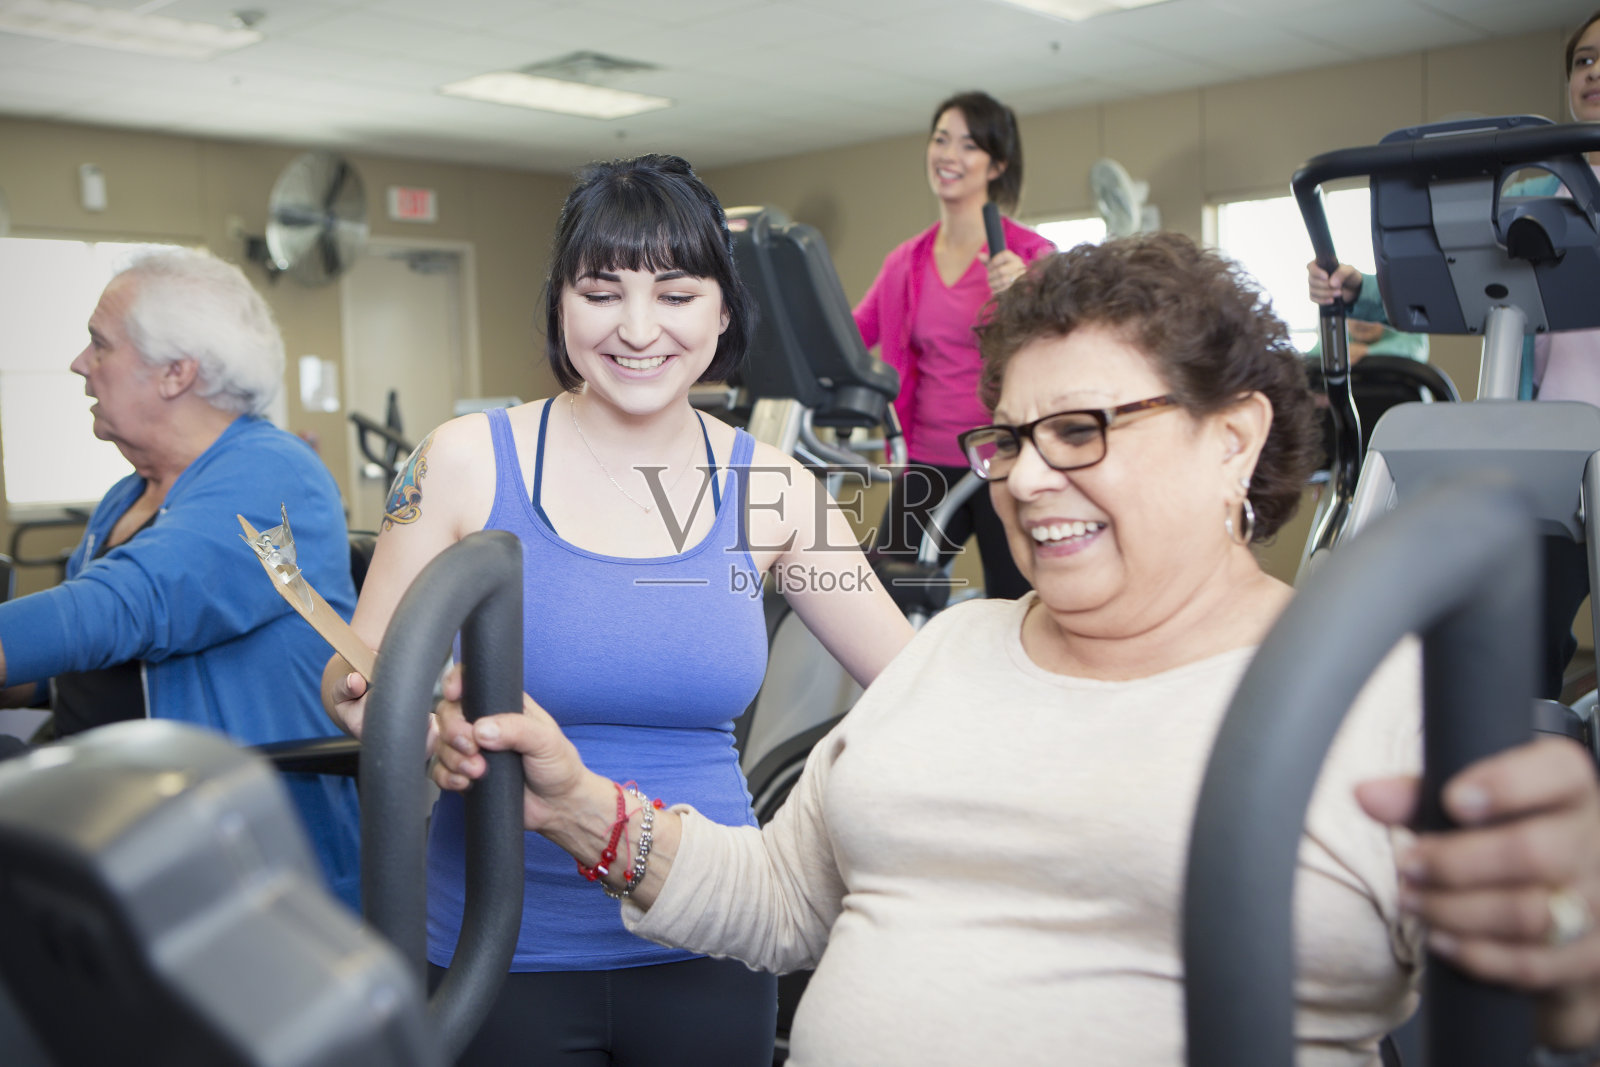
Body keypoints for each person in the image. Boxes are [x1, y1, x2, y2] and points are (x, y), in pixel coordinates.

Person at [436, 234, 1600, 1066]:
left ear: (1232, 439)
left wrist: (1573, 927)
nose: (1030, 477)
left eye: (1084, 429)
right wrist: (580, 801)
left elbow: (1558, 974)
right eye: (1010, 437)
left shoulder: (1381, 704)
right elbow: (780, 900)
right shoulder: (947, 656)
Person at [322, 154, 914, 1065]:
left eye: (676, 294)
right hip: (497, 944)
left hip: (709, 933)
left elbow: (915, 688)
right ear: (562, 303)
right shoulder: (461, 460)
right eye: (603, 291)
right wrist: (422, 719)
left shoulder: (775, 488)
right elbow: (353, 675)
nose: (639, 329)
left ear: (723, 309)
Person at [0, 248, 361, 909]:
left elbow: (126, 607)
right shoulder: (131, 494)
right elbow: (99, 670)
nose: (80, 365)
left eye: (99, 345)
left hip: (236, 848)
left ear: (174, 374)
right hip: (115, 803)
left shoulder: (274, 478)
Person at [1308, 9, 1600, 702]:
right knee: (1516, 636)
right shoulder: (1531, 190)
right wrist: (1357, 290)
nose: (1594, 73)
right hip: (1545, 452)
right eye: (1584, 61)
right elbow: (1462, 280)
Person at [855, 90, 1056, 601]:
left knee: (1018, 607)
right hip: (926, 461)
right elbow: (853, 336)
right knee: (883, 600)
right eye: (941, 139)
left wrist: (1028, 296)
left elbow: (1069, 349)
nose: (949, 155)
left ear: (997, 164)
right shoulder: (907, 260)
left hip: (1005, 461)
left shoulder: (1032, 254)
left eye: (968, 145)